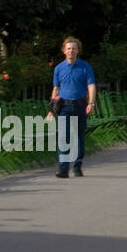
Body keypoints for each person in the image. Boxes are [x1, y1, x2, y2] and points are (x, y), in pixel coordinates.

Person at [47, 36, 96, 177]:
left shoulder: (85, 67)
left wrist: (91, 103)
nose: (71, 51)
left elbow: (91, 86)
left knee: (79, 137)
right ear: (64, 51)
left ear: (78, 50)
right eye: (68, 48)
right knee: (63, 137)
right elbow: (56, 89)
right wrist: (51, 110)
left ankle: (77, 165)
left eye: (74, 48)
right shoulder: (58, 69)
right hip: (64, 107)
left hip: (80, 105)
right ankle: (63, 169)